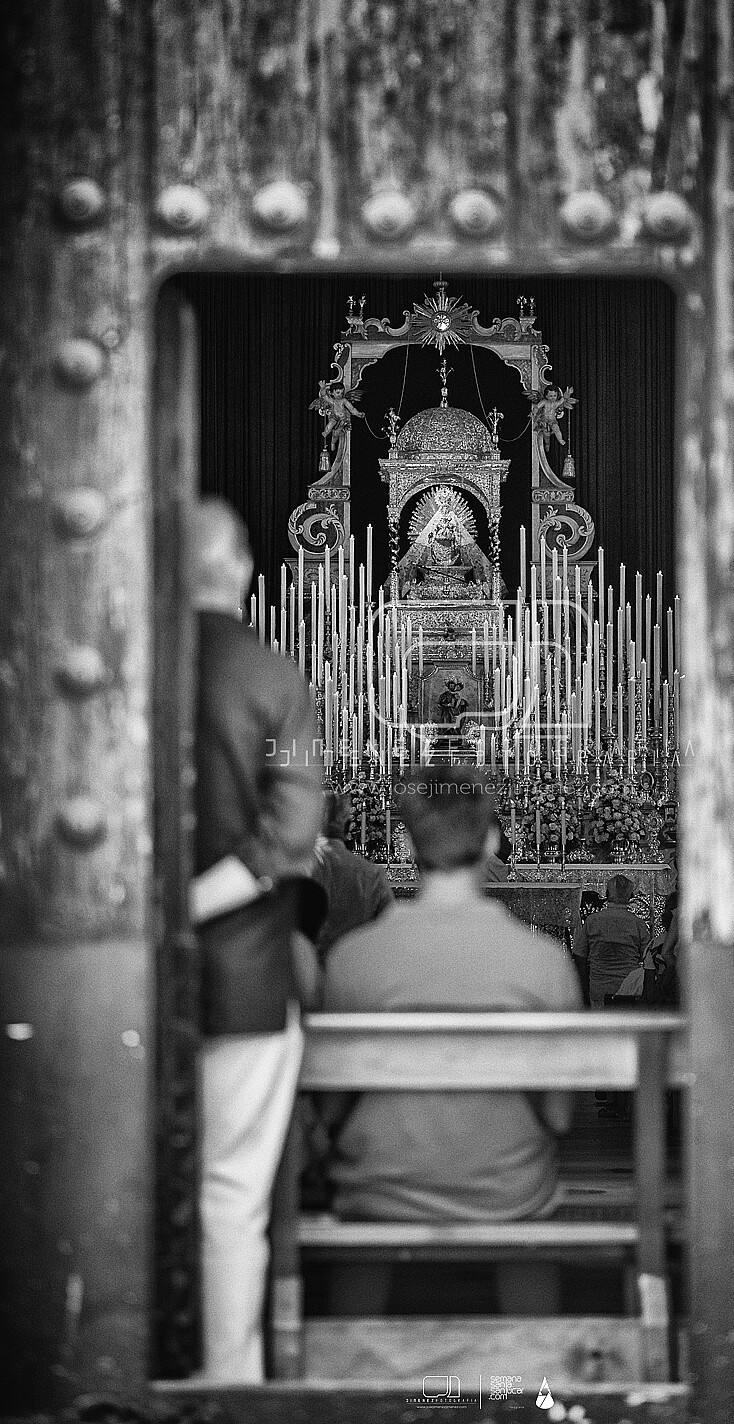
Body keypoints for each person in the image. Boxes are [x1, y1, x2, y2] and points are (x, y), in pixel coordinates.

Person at [319, 764, 582, 1315]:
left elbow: (332, 1107)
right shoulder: (543, 963)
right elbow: (559, 1116)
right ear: (491, 840)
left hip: (379, 1189)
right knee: (533, 1200)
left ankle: (348, 1359)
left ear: (403, 839)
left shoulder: (352, 959)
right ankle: (536, 1380)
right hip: (508, 1191)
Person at [189, 497, 325, 1382]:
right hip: (241, 976)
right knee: (232, 1194)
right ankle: (226, 1382)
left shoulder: (126, 655)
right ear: (240, 566)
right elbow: (292, 834)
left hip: (112, 981)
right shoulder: (272, 677)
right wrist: (196, 903)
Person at [311, 789, 394, 967]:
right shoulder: (372, 874)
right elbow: (390, 932)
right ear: (347, 821)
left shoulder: (295, 871)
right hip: (354, 969)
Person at [572, 874, 651, 1008]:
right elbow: (649, 957)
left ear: (607, 894)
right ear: (631, 896)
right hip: (628, 986)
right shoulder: (637, 923)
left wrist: (584, 988)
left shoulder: (593, 920)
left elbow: (579, 955)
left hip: (598, 985)